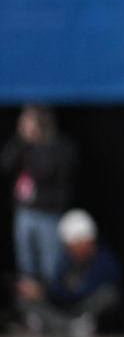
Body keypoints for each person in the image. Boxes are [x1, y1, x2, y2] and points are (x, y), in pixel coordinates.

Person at [1, 106, 77, 287]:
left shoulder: (59, 147)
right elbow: (5, 164)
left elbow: (44, 172)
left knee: (50, 268)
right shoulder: (23, 145)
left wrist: (34, 143)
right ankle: (32, 311)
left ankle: (51, 309)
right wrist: (21, 141)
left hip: (48, 215)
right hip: (24, 212)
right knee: (26, 269)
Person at [15, 209, 123, 336]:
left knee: (109, 296)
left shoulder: (104, 259)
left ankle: (63, 326)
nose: (71, 250)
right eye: (69, 246)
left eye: (76, 244)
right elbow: (57, 289)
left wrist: (68, 293)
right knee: (26, 301)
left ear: (88, 241)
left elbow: (98, 289)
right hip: (66, 310)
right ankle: (68, 327)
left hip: (87, 309)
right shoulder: (65, 260)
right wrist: (41, 291)